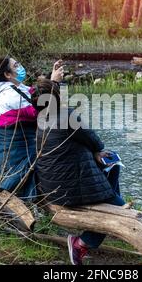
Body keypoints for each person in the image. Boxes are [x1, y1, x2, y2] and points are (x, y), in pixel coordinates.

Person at [31, 79, 125, 265]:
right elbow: (95, 141)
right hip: (71, 189)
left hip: (51, 187)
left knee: (111, 168)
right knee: (120, 209)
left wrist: (93, 152)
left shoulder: (41, 119)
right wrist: (96, 152)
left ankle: (110, 197)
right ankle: (81, 243)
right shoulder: (67, 116)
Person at [0, 56, 63, 199]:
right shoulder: (9, 95)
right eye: (16, 65)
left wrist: (49, 79)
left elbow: (35, 94)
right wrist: (54, 82)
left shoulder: (15, 88)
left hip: (10, 148)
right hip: (16, 156)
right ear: (7, 75)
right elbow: (40, 110)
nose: (21, 67)